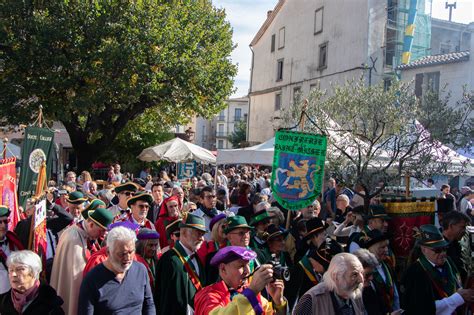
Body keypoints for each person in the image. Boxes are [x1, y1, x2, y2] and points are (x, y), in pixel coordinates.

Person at [50, 208, 113, 315]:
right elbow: (76, 278)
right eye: (101, 230)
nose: (102, 235)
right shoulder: (73, 239)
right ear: (91, 225)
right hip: (69, 294)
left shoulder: (86, 233)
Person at [78, 227, 155, 314]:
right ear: (108, 252)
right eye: (122, 254)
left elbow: (149, 305)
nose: (127, 258)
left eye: (131, 252)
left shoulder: (140, 270)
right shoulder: (92, 280)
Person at [401, 224, 474, 315]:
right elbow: (421, 309)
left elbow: (457, 285)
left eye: (444, 248)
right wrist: (457, 298)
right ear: (424, 249)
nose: (443, 253)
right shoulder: (415, 272)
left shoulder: (449, 262)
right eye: (437, 250)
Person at [194, 246, 287, 315]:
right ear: (223, 269)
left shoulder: (247, 290)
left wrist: (278, 303)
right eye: (241, 266)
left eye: (248, 265)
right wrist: (251, 292)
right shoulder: (207, 296)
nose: (248, 271)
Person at [155, 213, 207, 315]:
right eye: (198, 233)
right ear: (184, 233)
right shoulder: (169, 260)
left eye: (202, 234)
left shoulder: (197, 258)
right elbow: (166, 301)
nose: (202, 239)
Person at [293, 253, 365, 315]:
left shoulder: (355, 294)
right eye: (354, 275)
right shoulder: (311, 300)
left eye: (361, 273)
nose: (361, 280)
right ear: (336, 276)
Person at [0, 250, 64, 315]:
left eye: (19, 269)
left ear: (34, 272)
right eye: (11, 270)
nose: (13, 274)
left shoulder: (51, 304)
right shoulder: (2, 302)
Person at [287, 238, 341, 309]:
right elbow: (291, 304)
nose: (328, 271)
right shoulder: (297, 272)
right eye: (326, 268)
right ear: (318, 261)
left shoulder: (317, 272)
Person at [360, 229, 400, 314]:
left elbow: (395, 293)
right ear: (369, 249)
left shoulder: (388, 266)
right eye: (382, 247)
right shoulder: (363, 272)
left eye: (387, 247)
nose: (386, 250)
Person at [353, 248, 386, 315]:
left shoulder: (373, 286)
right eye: (367, 275)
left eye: (372, 274)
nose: (371, 278)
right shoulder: (347, 294)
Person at [441, 211, 471, 283]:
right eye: (462, 227)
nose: (465, 231)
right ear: (451, 226)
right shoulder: (439, 247)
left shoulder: (456, 244)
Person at [0, 206, 24, 295]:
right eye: (0, 222)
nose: (3, 225)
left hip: (14, 293)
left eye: (6, 221)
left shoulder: (13, 239)